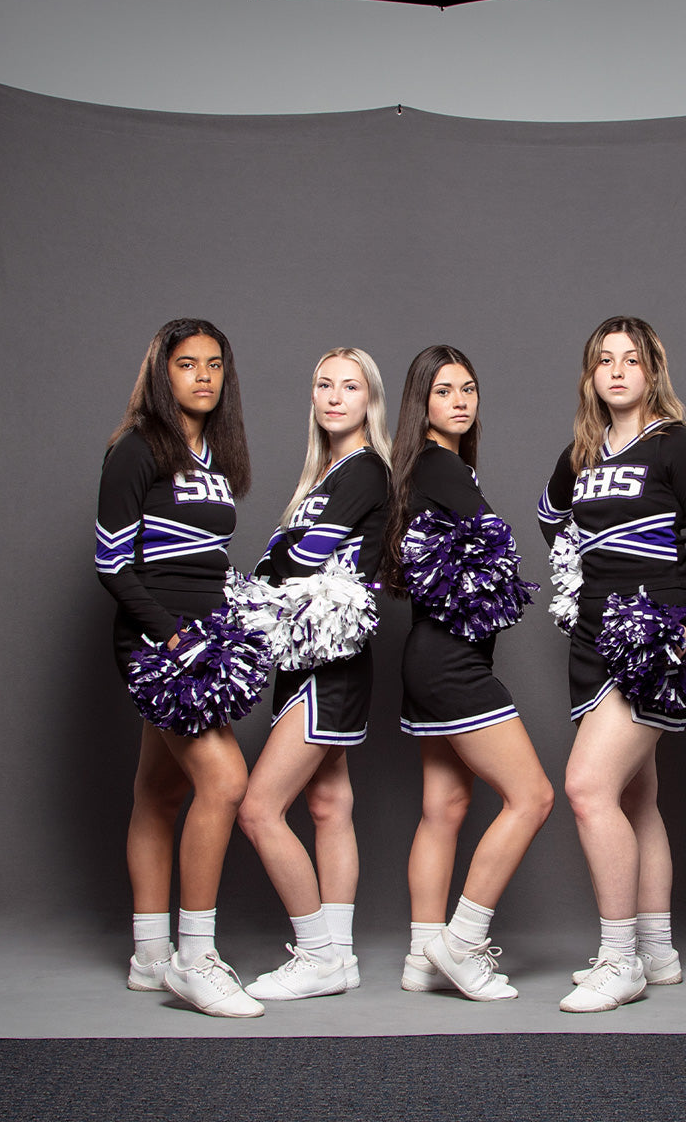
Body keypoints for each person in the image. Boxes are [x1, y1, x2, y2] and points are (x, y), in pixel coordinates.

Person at [537, 316, 686, 1013]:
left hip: (653, 637)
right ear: (591, 375)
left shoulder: (681, 449)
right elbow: (549, 516)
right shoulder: (581, 452)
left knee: (588, 788)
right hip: (590, 637)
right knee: (635, 796)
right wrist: (579, 575)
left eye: (631, 360)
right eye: (603, 361)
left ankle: (619, 961)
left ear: (653, 371)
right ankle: (656, 948)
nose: (617, 372)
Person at [95, 317, 263, 1019]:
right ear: (162, 373)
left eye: (214, 363)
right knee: (224, 781)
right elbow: (112, 562)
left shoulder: (216, 458)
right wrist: (171, 639)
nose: (202, 375)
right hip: (161, 646)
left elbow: (203, 559)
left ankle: (148, 956)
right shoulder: (137, 449)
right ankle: (195, 959)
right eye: (187, 363)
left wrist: (235, 618)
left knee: (159, 794)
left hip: (204, 641)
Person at [384, 345, 554, 1002]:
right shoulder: (440, 465)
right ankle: (461, 943)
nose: (459, 400)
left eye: (469, 389)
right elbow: (497, 542)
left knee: (444, 808)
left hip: (428, 658)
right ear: (421, 402)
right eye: (444, 390)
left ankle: (422, 956)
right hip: (452, 665)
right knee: (532, 797)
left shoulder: (425, 469)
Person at [237, 348, 392, 1001]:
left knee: (258, 809)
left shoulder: (364, 472)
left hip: (331, 661)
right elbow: (287, 562)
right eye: (323, 385)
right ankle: (342, 956)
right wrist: (274, 572)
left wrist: (269, 573)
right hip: (302, 658)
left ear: (369, 399)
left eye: (348, 386)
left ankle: (316, 953)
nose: (333, 396)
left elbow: (296, 559)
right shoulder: (324, 476)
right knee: (329, 805)